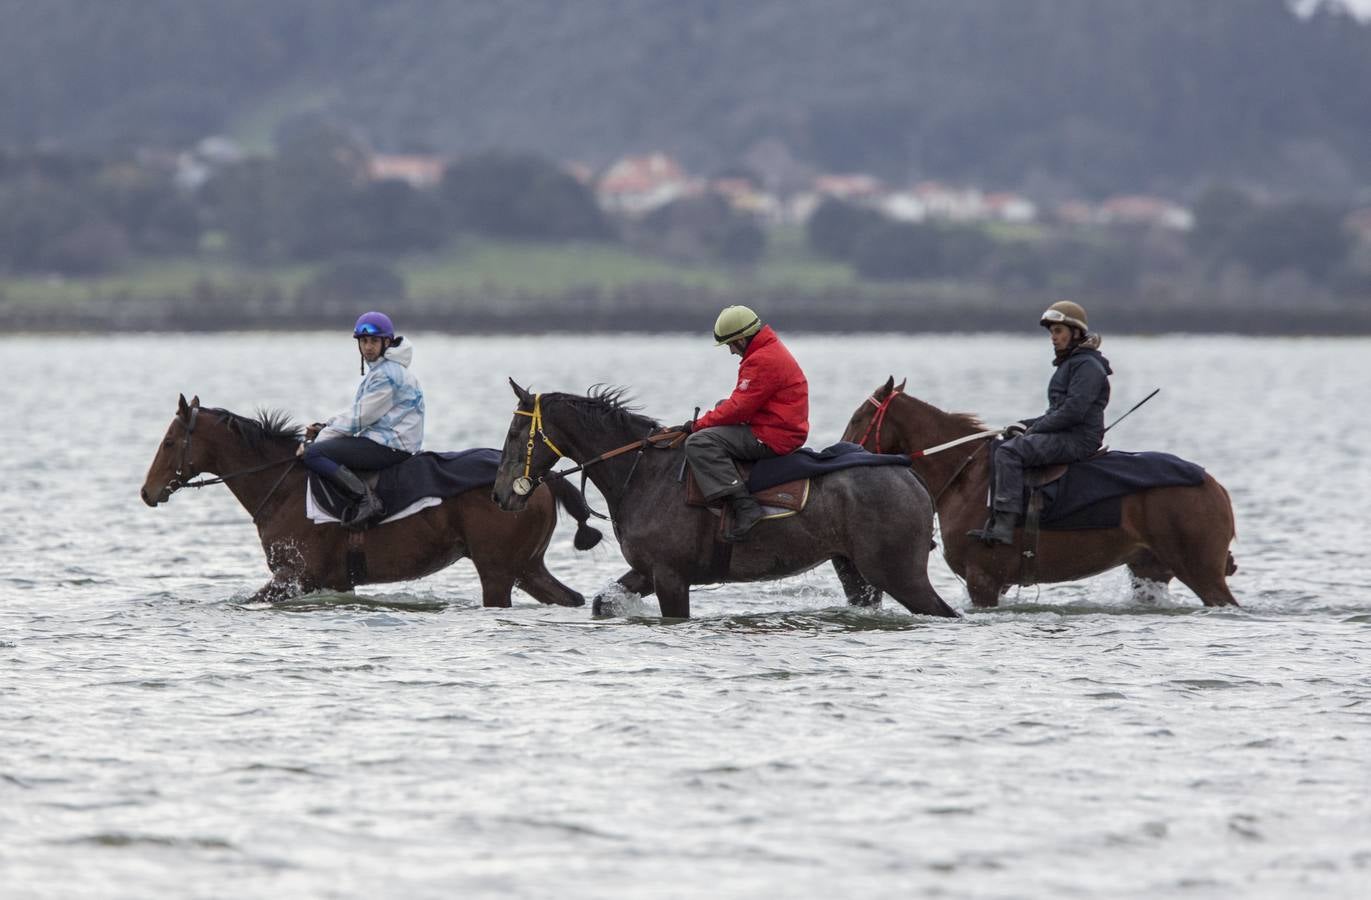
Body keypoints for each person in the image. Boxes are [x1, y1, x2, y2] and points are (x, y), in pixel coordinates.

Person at [969, 300, 1112, 545]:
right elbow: (1055, 412)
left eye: (1058, 331)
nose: (1053, 338)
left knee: (1008, 453)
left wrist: (1034, 430)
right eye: (1051, 333)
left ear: (1075, 333)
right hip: (1065, 434)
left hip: (1078, 440)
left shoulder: (1087, 366)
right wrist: (1023, 424)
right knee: (1004, 442)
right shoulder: (1073, 363)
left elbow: (1072, 413)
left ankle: (1004, 525)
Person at [675, 305, 809, 542]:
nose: (730, 351)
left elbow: (738, 408)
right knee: (719, 407)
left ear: (741, 339)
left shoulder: (762, 359)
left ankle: (745, 506)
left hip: (773, 436)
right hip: (775, 426)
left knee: (699, 442)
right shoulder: (768, 350)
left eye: (730, 344)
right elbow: (740, 405)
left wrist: (697, 426)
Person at [300, 311, 425, 528]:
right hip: (386, 441)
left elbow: (359, 419)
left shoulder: (387, 374)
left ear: (386, 342)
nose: (368, 347)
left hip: (390, 446)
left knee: (314, 453)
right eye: (364, 341)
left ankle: (365, 499)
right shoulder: (385, 370)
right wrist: (326, 426)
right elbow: (359, 412)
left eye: (374, 341)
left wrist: (319, 441)